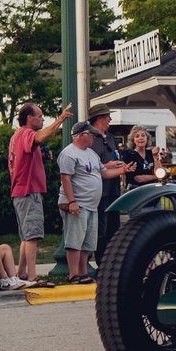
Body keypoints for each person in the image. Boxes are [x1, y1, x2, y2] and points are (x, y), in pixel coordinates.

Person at [9, 101, 74, 282]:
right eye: (39, 116)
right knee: (32, 235)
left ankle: (21, 273)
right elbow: (41, 137)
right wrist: (60, 119)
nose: (42, 119)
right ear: (29, 118)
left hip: (21, 191)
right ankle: (32, 276)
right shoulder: (27, 133)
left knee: (26, 236)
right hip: (28, 191)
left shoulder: (17, 135)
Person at [58, 121, 127, 285]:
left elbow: (104, 173)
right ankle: (73, 274)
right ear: (81, 135)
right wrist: (72, 201)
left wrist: (123, 170)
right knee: (75, 240)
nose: (94, 138)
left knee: (87, 242)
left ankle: (82, 273)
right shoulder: (68, 154)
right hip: (77, 203)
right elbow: (65, 178)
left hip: (91, 205)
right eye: (91, 134)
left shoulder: (91, 153)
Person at [87, 109, 123, 263]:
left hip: (113, 189)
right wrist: (107, 165)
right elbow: (88, 165)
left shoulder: (111, 137)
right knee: (101, 228)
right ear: (99, 118)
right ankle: (101, 261)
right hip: (100, 191)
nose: (110, 119)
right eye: (108, 116)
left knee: (114, 228)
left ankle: (112, 261)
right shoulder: (90, 138)